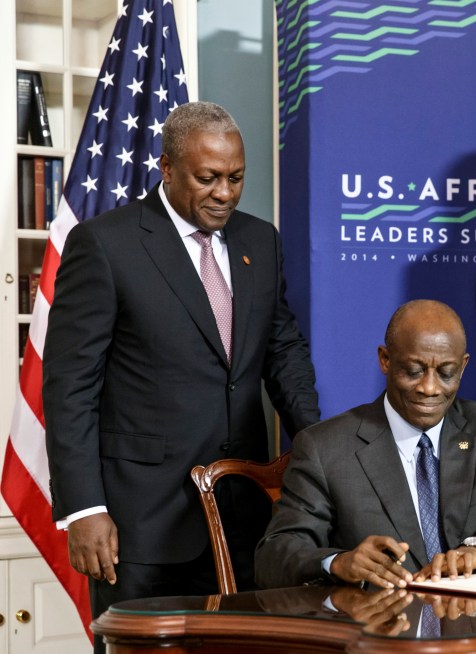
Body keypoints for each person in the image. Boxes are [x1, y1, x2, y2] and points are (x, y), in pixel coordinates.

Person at [43, 101, 320, 638]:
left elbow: (281, 349)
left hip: (244, 514)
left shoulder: (260, 241)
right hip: (141, 524)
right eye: (208, 178)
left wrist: (316, 443)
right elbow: (70, 387)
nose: (224, 193)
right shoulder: (106, 244)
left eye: (236, 178)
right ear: (167, 168)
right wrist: (83, 509)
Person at [255, 299, 476, 589]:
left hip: (470, 626)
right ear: (385, 360)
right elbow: (274, 555)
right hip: (379, 626)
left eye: (446, 373)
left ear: (463, 367)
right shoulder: (325, 447)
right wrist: (338, 562)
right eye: (414, 371)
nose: (429, 387)